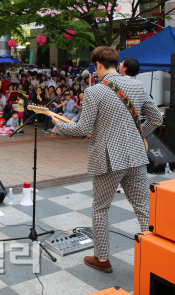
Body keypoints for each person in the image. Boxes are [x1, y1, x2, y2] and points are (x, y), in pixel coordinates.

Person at [47, 46, 162, 273]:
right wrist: (139, 135)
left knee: (100, 208)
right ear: (116, 63)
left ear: (98, 65)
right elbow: (156, 118)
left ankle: (102, 258)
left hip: (109, 158)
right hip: (136, 155)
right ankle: (157, 254)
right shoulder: (137, 85)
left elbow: (83, 127)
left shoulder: (94, 91)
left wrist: (58, 125)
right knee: (143, 209)